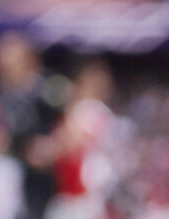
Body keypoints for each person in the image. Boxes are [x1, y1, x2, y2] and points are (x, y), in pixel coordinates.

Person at [0, 33, 63, 219]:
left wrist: (54, 145)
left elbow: (72, 120)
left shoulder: (48, 86)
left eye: (9, 61)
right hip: (18, 171)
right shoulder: (3, 92)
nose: (3, 67)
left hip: (52, 174)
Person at [44, 59, 116, 219]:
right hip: (70, 192)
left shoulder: (95, 110)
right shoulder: (78, 108)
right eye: (90, 81)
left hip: (88, 193)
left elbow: (70, 142)